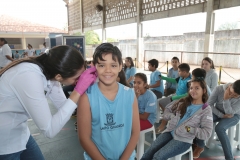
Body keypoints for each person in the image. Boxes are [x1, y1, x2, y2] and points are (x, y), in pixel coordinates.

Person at [0, 45, 97, 159]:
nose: (78, 82)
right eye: (76, 79)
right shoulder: (28, 75)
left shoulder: (51, 74)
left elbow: (64, 106)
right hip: (4, 139)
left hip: (20, 132)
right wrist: (78, 90)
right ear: (59, 76)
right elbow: (49, 130)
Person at [77, 43, 140, 160]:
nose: (108, 70)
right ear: (94, 66)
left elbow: (135, 132)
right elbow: (84, 138)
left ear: (121, 66)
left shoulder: (130, 95)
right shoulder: (86, 97)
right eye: (101, 65)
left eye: (113, 65)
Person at [141, 79, 213, 160]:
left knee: (158, 156)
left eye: (197, 88)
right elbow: (167, 109)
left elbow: (207, 133)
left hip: (184, 140)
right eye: (191, 88)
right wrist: (171, 116)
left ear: (204, 90)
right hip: (170, 132)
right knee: (150, 151)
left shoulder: (205, 110)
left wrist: (189, 129)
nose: (193, 90)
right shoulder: (184, 101)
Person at [194, 80, 240, 160]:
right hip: (217, 111)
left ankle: (230, 158)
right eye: (231, 92)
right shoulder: (219, 89)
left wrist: (226, 99)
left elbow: (230, 112)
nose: (232, 95)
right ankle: (200, 145)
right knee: (202, 119)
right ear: (230, 85)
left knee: (219, 128)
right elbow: (209, 104)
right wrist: (221, 115)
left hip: (234, 116)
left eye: (235, 96)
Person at [156, 63, 191, 134]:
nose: (178, 72)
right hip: (175, 96)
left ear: (184, 72)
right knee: (159, 101)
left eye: (179, 71)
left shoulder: (189, 81)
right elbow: (174, 80)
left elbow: (188, 94)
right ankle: (166, 117)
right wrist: (163, 77)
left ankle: (163, 125)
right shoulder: (181, 77)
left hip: (182, 99)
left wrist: (175, 97)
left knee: (168, 108)